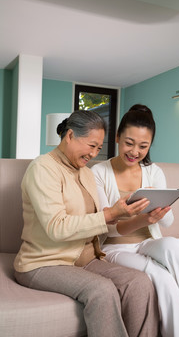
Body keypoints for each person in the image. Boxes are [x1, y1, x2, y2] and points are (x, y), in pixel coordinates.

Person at [14, 110, 160, 337]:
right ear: (70, 136)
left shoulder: (86, 174)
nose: (93, 154)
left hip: (86, 259)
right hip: (44, 263)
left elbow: (102, 223)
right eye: (91, 145)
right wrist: (109, 214)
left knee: (139, 283)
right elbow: (56, 228)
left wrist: (129, 214)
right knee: (101, 290)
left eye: (99, 148)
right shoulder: (43, 168)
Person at [91, 104, 179, 337]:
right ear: (117, 137)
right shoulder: (98, 172)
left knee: (176, 246)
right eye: (129, 143)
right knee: (162, 276)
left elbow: (167, 223)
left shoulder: (154, 171)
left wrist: (157, 203)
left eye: (143, 146)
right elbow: (108, 230)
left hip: (147, 243)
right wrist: (142, 218)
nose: (134, 152)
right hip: (115, 249)